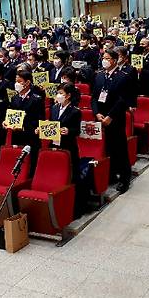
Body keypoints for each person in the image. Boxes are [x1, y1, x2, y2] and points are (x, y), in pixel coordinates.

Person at [91, 49, 131, 193]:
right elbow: (94, 97)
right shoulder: (99, 75)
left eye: (107, 58)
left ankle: (125, 179)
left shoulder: (123, 76)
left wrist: (110, 116)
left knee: (119, 149)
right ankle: (112, 174)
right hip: (101, 117)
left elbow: (122, 100)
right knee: (107, 148)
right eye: (103, 57)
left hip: (115, 118)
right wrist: (97, 113)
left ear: (114, 60)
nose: (104, 60)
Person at [44, 83, 82, 200]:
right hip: (54, 143)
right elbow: (51, 123)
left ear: (68, 95)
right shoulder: (54, 108)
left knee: (71, 174)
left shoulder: (75, 111)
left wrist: (68, 130)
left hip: (68, 145)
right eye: (58, 93)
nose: (58, 95)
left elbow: (77, 130)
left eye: (61, 93)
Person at [7, 70, 45, 168]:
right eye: (16, 81)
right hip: (16, 136)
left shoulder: (36, 99)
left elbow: (39, 120)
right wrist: (6, 122)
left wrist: (24, 128)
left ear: (27, 83)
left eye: (19, 81)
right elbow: (10, 115)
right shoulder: (14, 98)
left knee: (30, 166)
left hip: (30, 138)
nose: (16, 84)